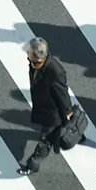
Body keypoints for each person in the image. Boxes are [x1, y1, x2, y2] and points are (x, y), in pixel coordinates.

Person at [17, 37, 74, 175]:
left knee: (45, 141)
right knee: (69, 126)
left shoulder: (55, 71)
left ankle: (32, 165)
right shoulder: (36, 64)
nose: (28, 59)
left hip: (52, 113)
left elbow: (62, 94)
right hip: (45, 106)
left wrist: (67, 110)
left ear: (41, 59)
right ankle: (76, 133)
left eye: (31, 57)